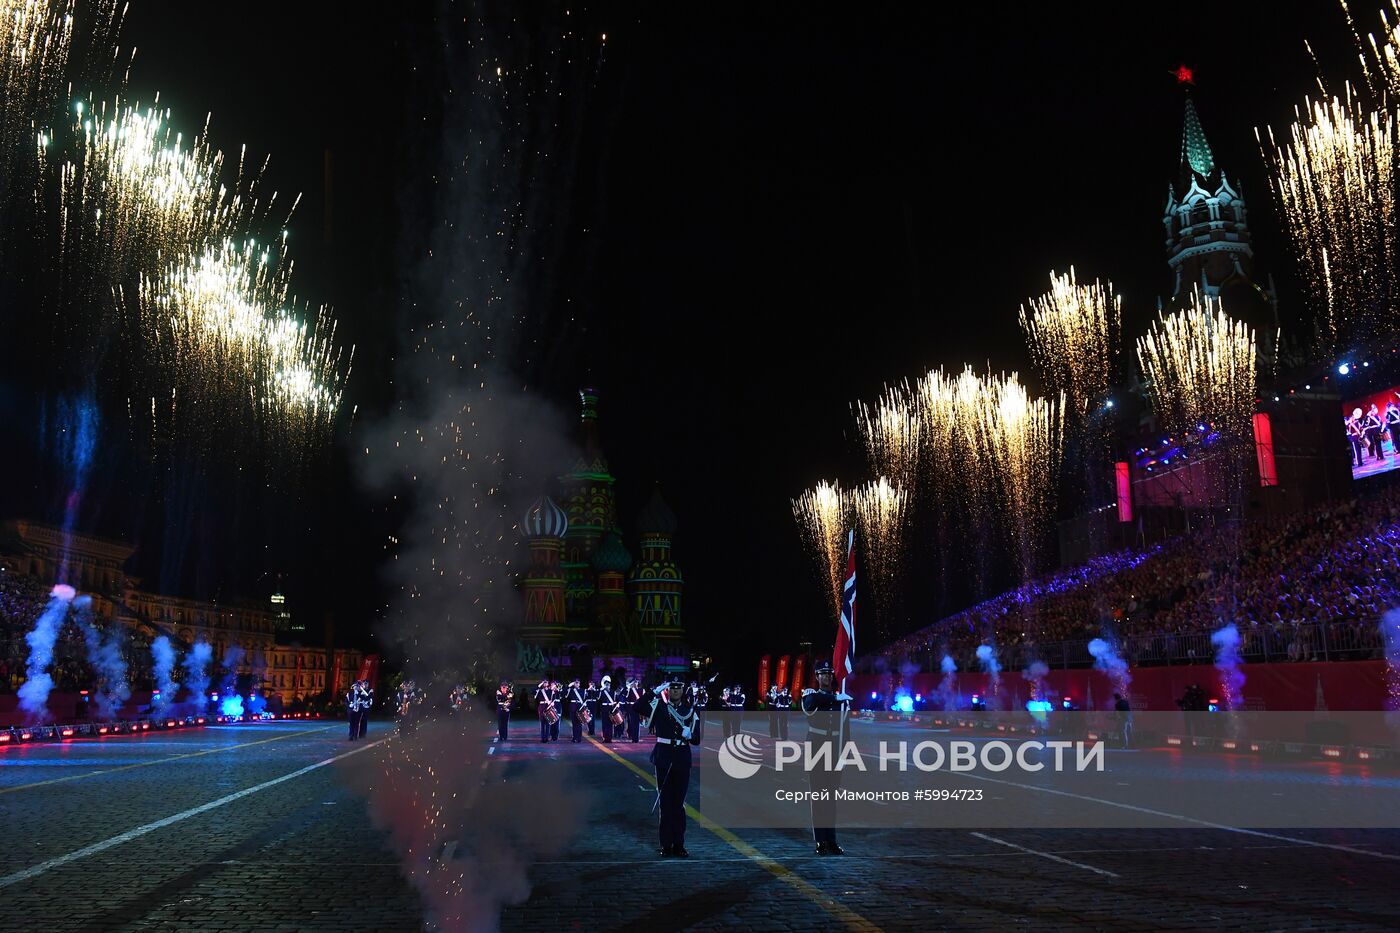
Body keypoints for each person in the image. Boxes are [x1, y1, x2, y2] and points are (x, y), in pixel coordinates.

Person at [646, 672, 703, 857]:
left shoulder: (690, 711)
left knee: (678, 804)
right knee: (665, 804)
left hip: (681, 760)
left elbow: (697, 740)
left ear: (683, 690)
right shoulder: (660, 708)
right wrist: (655, 691)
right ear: (668, 690)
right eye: (672, 688)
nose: (675, 691)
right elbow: (638, 706)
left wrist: (690, 735)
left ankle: (678, 843)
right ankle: (666, 844)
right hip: (663, 758)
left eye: (678, 688)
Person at [801, 660, 851, 855]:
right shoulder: (810, 696)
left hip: (835, 752)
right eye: (823, 674)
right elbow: (810, 705)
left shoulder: (841, 700)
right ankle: (820, 840)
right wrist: (836, 699)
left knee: (831, 798)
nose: (827, 677)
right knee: (818, 797)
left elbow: (845, 731)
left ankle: (831, 839)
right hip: (816, 751)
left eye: (830, 674)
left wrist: (846, 755)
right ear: (816, 676)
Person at [567, 679, 586, 743]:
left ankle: (579, 738)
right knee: (574, 723)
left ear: (579, 683)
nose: (577, 684)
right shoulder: (571, 690)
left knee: (580, 723)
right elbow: (565, 693)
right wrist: (570, 685)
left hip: (580, 708)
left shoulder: (583, 690)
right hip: (573, 707)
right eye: (575, 683)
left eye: (578, 683)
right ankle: (574, 737)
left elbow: (586, 698)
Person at [599, 675, 617, 743]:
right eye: (606, 685)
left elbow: (615, 700)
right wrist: (600, 689)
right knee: (604, 724)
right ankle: (605, 738)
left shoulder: (613, 692)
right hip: (604, 709)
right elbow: (598, 699)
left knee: (610, 724)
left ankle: (609, 738)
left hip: (610, 709)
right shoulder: (602, 692)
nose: (607, 686)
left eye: (608, 685)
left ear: (610, 685)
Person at [535, 679, 553, 743]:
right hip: (542, 707)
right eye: (544, 682)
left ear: (548, 683)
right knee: (542, 724)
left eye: (546, 682)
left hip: (548, 707)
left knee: (548, 723)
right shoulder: (540, 691)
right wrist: (540, 684)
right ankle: (543, 738)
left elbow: (553, 698)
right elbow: (533, 692)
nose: (545, 683)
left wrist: (552, 703)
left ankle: (547, 737)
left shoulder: (551, 691)